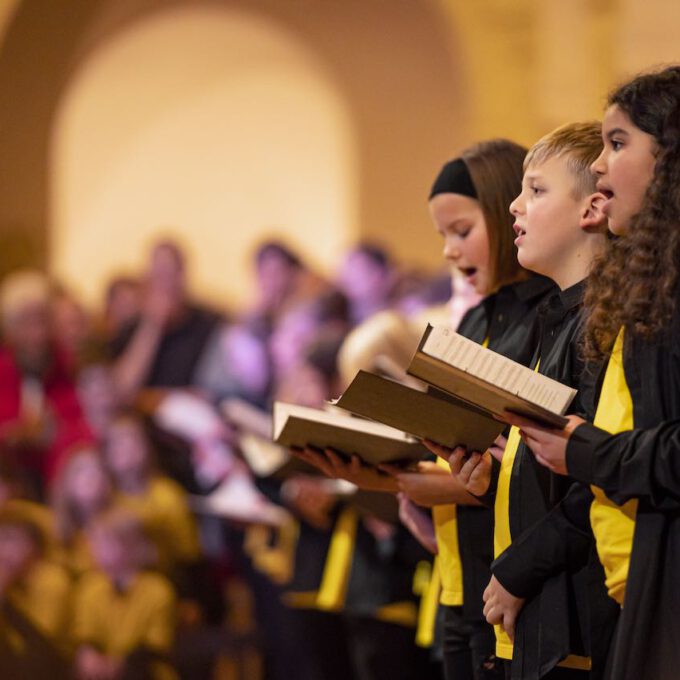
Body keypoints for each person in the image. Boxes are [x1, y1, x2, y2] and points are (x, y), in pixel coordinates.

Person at [297, 139, 555, 680]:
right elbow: (464, 448)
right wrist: (383, 471)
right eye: (442, 236)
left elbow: (526, 463)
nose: (448, 252)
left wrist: (412, 483)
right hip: (457, 574)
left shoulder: (540, 319)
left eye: (461, 232)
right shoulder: (482, 319)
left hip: (515, 583)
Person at [489, 65, 680, 680]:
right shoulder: (620, 302)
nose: (601, 165)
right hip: (638, 585)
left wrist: (589, 453)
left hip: (614, 592)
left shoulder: (623, 310)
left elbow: (634, 452)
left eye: (617, 144)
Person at [443, 122, 608, 678]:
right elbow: (552, 461)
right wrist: (493, 479)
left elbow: (600, 472)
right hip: (536, 610)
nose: (514, 206)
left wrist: (518, 570)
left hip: (576, 610)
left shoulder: (599, 323)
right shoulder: (559, 317)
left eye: (536, 191)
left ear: (593, 208)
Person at [72, 507, 177, 680]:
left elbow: (157, 645)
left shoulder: (158, 589)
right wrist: (88, 654)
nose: (97, 551)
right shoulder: (89, 587)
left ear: (132, 546)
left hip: (145, 671)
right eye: (95, 543)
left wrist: (119, 663)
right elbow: (86, 633)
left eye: (106, 544)